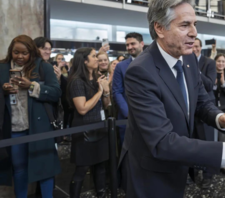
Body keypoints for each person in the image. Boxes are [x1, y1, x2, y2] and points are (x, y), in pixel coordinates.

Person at [119, 0, 225, 198]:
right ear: (159, 28)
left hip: (180, 165)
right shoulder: (141, 71)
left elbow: (200, 101)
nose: (194, 33)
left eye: (195, 24)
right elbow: (162, 142)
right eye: (185, 25)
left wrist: (219, 118)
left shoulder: (188, 60)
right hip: (152, 174)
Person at [0, 35, 61, 198]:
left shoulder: (43, 67)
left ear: (31, 52)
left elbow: (56, 93)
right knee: (19, 170)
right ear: (10, 52)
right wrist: (3, 91)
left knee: (45, 169)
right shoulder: (2, 68)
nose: (20, 56)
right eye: (16, 52)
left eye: (24, 53)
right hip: (13, 129)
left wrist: (32, 86)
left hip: (38, 127)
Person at [67, 47, 111, 198]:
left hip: (99, 126)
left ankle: (101, 194)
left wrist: (105, 92)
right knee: (82, 168)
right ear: (84, 61)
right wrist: (99, 92)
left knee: (100, 166)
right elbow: (82, 109)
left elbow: (106, 105)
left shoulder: (97, 78)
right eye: (94, 56)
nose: (97, 59)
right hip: (84, 129)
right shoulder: (77, 82)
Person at [192, 38, 217, 188]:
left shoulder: (209, 63)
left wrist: (195, 69)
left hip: (205, 108)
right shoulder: (183, 61)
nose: (194, 49)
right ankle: (193, 173)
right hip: (190, 111)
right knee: (193, 142)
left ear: (200, 48)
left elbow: (209, 84)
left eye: (196, 46)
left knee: (208, 143)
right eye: (192, 46)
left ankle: (208, 175)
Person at [112, 32, 144, 145]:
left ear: (142, 44)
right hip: (127, 119)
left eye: (133, 44)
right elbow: (117, 91)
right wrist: (127, 113)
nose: (130, 47)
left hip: (150, 116)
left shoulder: (153, 62)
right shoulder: (121, 66)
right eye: (127, 45)